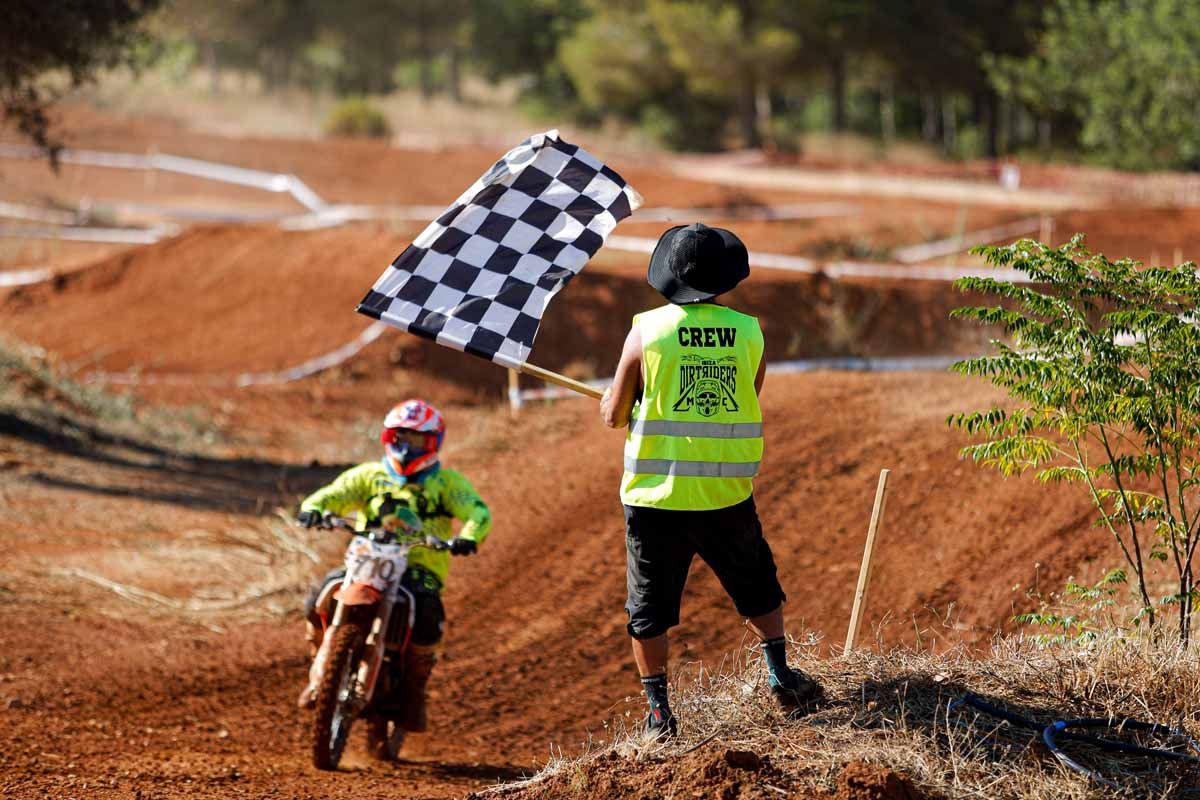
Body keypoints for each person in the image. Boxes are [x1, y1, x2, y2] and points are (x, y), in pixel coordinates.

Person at [600, 223, 822, 738]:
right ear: (726, 278)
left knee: (648, 608)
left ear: (667, 278)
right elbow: (750, 393)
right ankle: (780, 675)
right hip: (726, 492)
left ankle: (659, 713)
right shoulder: (749, 331)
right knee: (758, 586)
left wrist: (621, 403)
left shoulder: (646, 330)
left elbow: (614, 416)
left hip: (656, 498)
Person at [294, 398, 491, 733]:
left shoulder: (446, 484)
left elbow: (477, 512)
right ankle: (322, 665)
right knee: (319, 595)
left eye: (415, 440)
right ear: (387, 437)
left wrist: (468, 537)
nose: (406, 447)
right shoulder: (368, 476)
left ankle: (415, 690)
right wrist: (313, 508)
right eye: (399, 437)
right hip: (367, 559)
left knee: (428, 616)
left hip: (418, 566)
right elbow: (332, 494)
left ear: (433, 442)